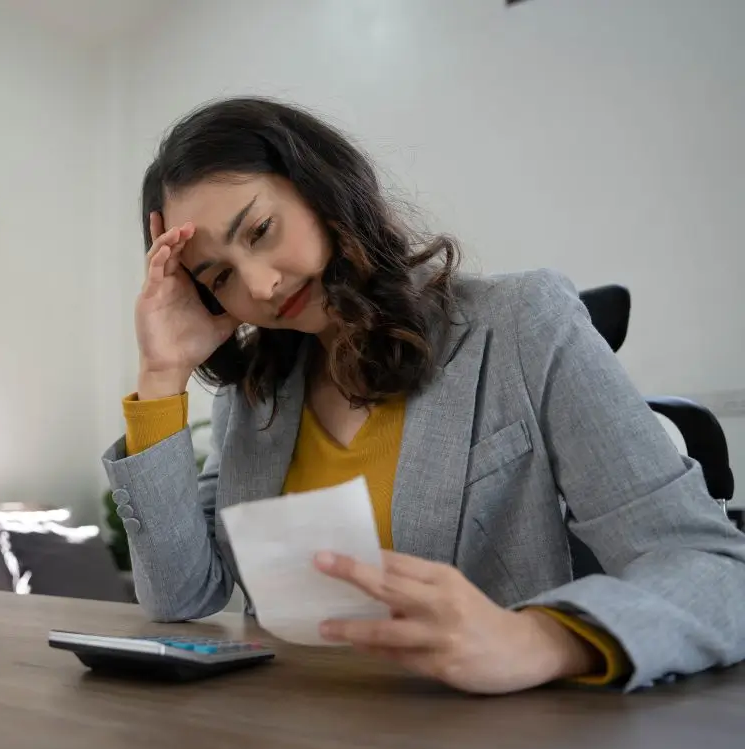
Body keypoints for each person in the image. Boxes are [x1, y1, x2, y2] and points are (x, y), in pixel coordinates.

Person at [101, 97, 745, 694]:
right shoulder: (256, 396)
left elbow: (714, 570)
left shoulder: (522, 323)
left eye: (262, 230)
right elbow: (181, 597)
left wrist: (540, 637)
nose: (262, 287)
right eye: (220, 277)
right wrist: (161, 375)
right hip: (298, 743)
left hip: (496, 745)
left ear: (321, 187)